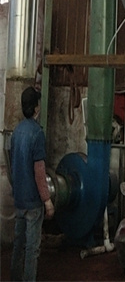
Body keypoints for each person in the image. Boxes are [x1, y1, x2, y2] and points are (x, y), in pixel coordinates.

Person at [10, 87, 54, 282]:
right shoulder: (37, 133)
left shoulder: (16, 132)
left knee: (18, 245)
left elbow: (13, 166)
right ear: (36, 107)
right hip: (33, 202)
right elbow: (39, 172)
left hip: (19, 198)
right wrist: (47, 200)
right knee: (32, 248)